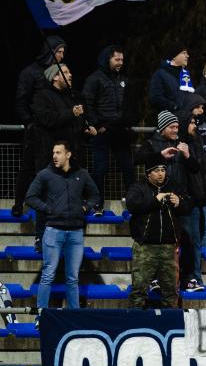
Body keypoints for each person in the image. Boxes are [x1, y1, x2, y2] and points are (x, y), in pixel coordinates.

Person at [25, 141, 99, 313]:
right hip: (53, 231)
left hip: (76, 233)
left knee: (72, 278)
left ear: (68, 154)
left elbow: (95, 195)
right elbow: (30, 197)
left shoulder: (82, 174)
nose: (54, 156)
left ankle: (73, 316)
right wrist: (48, 209)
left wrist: (84, 208)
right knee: (48, 275)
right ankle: (42, 316)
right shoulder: (45, 174)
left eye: (58, 152)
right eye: (53, 152)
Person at [134, 111, 202, 290]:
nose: (176, 130)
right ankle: (155, 279)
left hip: (180, 199)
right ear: (162, 127)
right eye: (172, 127)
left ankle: (188, 279)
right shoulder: (151, 144)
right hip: (159, 200)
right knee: (159, 242)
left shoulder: (182, 144)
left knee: (188, 241)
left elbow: (196, 169)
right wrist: (160, 156)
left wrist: (188, 156)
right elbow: (137, 159)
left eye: (177, 127)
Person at [126, 155, 192, 309]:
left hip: (169, 248)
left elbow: (189, 206)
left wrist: (180, 203)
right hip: (145, 248)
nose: (161, 173)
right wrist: (155, 200)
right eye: (156, 170)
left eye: (163, 170)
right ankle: (135, 320)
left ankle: (169, 322)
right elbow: (132, 205)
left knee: (171, 292)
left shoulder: (174, 186)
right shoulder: (138, 188)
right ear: (148, 173)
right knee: (138, 291)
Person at [13, 36, 65, 218]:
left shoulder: (60, 71)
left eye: (63, 52)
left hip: (53, 130)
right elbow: (21, 100)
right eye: (59, 52)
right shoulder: (30, 72)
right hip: (35, 130)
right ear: (50, 51)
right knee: (27, 168)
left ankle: (48, 206)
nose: (62, 56)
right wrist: (29, 122)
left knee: (51, 169)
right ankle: (18, 204)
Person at [82, 45, 136, 216]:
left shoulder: (124, 80)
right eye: (116, 59)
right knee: (100, 168)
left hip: (120, 131)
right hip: (103, 132)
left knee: (128, 167)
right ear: (108, 59)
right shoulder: (94, 79)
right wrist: (98, 125)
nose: (120, 62)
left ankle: (133, 203)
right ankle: (97, 203)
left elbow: (130, 105)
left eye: (122, 59)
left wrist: (126, 122)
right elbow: (87, 103)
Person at [178, 93, 206, 289]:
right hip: (178, 199)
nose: (195, 124)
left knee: (194, 241)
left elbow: (200, 169)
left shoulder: (196, 142)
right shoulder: (174, 143)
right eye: (192, 121)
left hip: (193, 200)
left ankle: (194, 277)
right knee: (180, 242)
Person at [32, 64, 97, 169]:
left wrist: (87, 127)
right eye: (65, 72)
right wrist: (71, 113)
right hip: (52, 156)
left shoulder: (74, 96)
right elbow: (48, 119)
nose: (70, 75)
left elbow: (81, 119)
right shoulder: (42, 96)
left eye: (69, 72)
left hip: (74, 156)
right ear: (55, 77)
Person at [148, 45, 194, 114]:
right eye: (184, 53)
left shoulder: (185, 75)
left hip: (187, 117)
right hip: (170, 117)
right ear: (174, 57)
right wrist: (174, 107)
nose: (187, 56)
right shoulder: (160, 74)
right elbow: (155, 97)